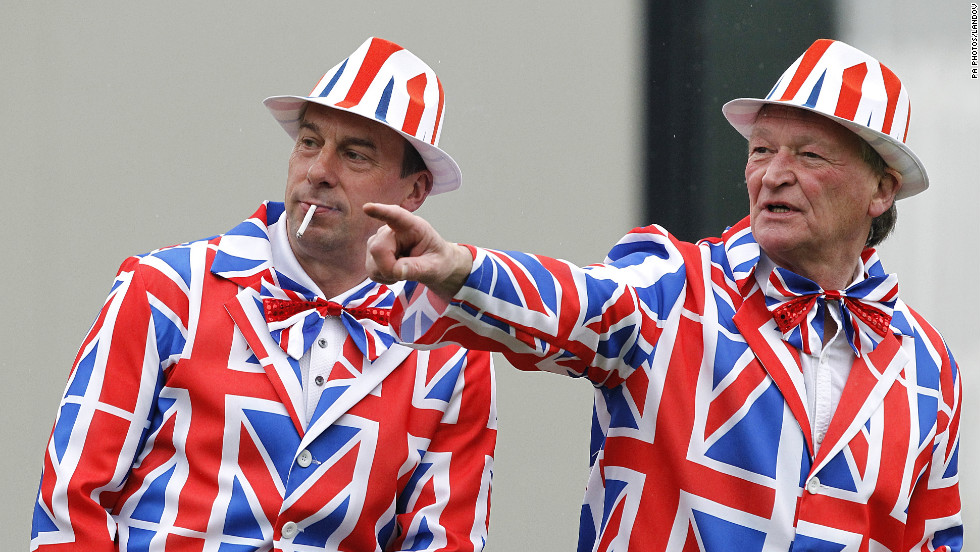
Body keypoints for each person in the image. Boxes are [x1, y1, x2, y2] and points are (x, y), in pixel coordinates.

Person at [364, 39, 962, 551]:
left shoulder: (930, 369)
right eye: (761, 151)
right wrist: (458, 269)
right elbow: (578, 300)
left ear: (881, 190)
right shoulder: (673, 287)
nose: (773, 174)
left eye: (808, 155)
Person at [30, 37, 496, 552]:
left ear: (414, 193)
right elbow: (71, 507)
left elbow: (444, 542)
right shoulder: (165, 289)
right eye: (309, 142)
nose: (318, 171)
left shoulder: (454, 354)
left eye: (355, 155)